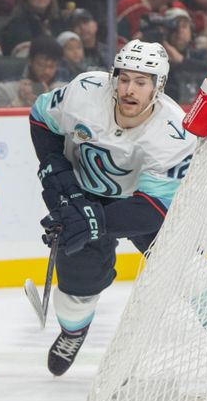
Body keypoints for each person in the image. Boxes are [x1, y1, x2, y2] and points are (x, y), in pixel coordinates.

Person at [29, 40, 197, 376]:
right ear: (113, 77)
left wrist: (92, 223)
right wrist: (56, 172)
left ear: (158, 87)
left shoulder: (174, 131)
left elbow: (153, 209)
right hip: (84, 195)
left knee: (190, 272)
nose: (129, 89)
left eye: (141, 82)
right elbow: (41, 118)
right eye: (124, 78)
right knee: (77, 289)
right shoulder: (84, 93)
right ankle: (73, 332)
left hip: (140, 204)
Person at [161, 7, 207, 104]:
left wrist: (182, 61)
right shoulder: (157, 57)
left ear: (191, 31)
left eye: (184, 26)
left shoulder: (199, 54)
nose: (180, 31)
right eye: (175, 27)